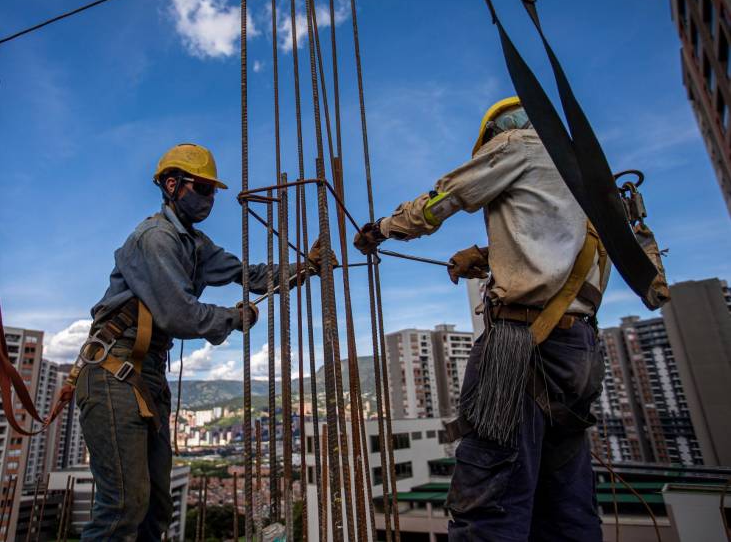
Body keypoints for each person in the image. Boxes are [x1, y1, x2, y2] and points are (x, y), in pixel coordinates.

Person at [354, 97, 609, 541]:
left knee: (490, 500)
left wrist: (383, 229)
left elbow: (447, 196)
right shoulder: (582, 174)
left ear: (496, 132)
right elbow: (557, 247)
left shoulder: (519, 145)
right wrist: (492, 257)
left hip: (522, 344)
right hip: (580, 350)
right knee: (565, 503)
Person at [74, 143, 327, 540]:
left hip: (146, 374)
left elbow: (251, 274)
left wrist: (307, 269)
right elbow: (179, 315)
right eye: (203, 189)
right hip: (115, 372)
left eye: (213, 191)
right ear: (173, 185)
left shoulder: (196, 245)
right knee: (124, 505)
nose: (211, 200)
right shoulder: (156, 239)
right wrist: (234, 318)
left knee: (156, 509)